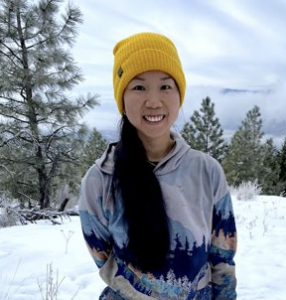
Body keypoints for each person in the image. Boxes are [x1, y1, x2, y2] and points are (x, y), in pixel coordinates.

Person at [79, 32, 237, 300]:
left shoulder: (206, 171)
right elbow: (104, 261)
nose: (154, 101)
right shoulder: (100, 180)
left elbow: (222, 258)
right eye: (139, 87)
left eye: (165, 86)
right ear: (122, 98)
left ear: (179, 93)